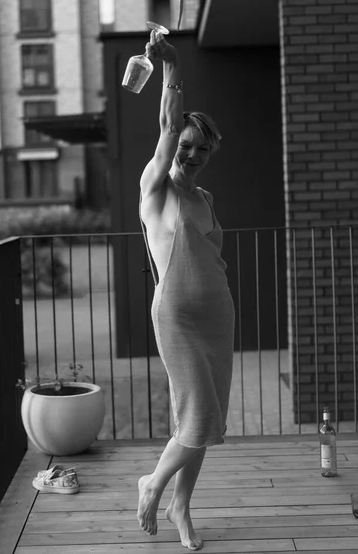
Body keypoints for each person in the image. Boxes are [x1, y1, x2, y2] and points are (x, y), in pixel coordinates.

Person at [138, 30, 235, 551]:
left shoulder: (206, 196)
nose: (191, 152)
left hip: (218, 314)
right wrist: (171, 65)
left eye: (201, 147)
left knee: (206, 417)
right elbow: (168, 120)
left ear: (211, 150)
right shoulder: (157, 183)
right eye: (184, 144)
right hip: (175, 314)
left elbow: (212, 257)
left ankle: (181, 506)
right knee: (195, 414)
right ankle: (153, 484)